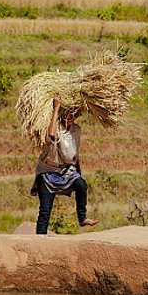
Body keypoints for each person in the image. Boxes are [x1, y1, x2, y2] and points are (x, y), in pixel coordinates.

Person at [30, 97, 98, 235]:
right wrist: (56, 108)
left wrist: (79, 170)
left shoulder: (76, 130)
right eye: (69, 114)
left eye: (74, 114)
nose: (72, 117)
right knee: (45, 210)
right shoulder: (53, 128)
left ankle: (82, 218)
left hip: (66, 170)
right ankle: (39, 240)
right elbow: (51, 135)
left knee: (81, 184)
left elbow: (75, 151)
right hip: (47, 172)